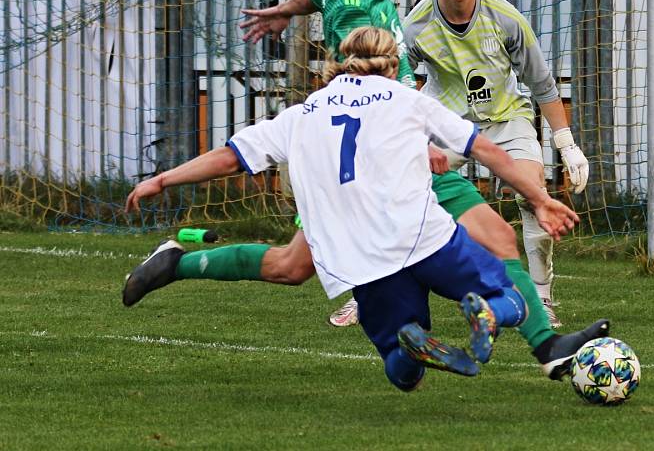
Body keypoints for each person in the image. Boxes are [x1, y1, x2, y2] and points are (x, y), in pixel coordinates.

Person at [123, 0, 566, 360]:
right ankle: (548, 347)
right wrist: (418, 136)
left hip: (357, 147)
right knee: (496, 238)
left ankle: (178, 264)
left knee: (291, 266)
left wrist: (284, 11)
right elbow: (376, 77)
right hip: (382, 152)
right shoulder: (361, 12)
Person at [124, 26, 610, 390]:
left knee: (403, 373)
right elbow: (485, 149)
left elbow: (231, 157)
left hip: (356, 254)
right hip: (421, 235)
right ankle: (498, 314)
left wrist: (162, 178)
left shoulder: (302, 113)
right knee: (509, 283)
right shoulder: (405, 99)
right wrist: (541, 198)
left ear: (338, 63)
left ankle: (418, 346)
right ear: (392, 60)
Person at [401, 0, 590, 328]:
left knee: (531, 194)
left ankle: (540, 299)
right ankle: (376, 293)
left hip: (506, 120)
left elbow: (542, 85)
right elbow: (399, 77)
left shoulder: (506, 19)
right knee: (404, 195)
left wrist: (567, 144)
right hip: (446, 123)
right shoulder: (416, 26)